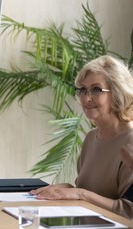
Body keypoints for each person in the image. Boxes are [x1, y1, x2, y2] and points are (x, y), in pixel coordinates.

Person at [31, 55, 133, 219]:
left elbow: (128, 211)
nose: (86, 98)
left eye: (96, 90)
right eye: (83, 90)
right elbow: (90, 192)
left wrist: (80, 193)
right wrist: (67, 188)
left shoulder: (130, 141)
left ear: (117, 93)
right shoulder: (92, 138)